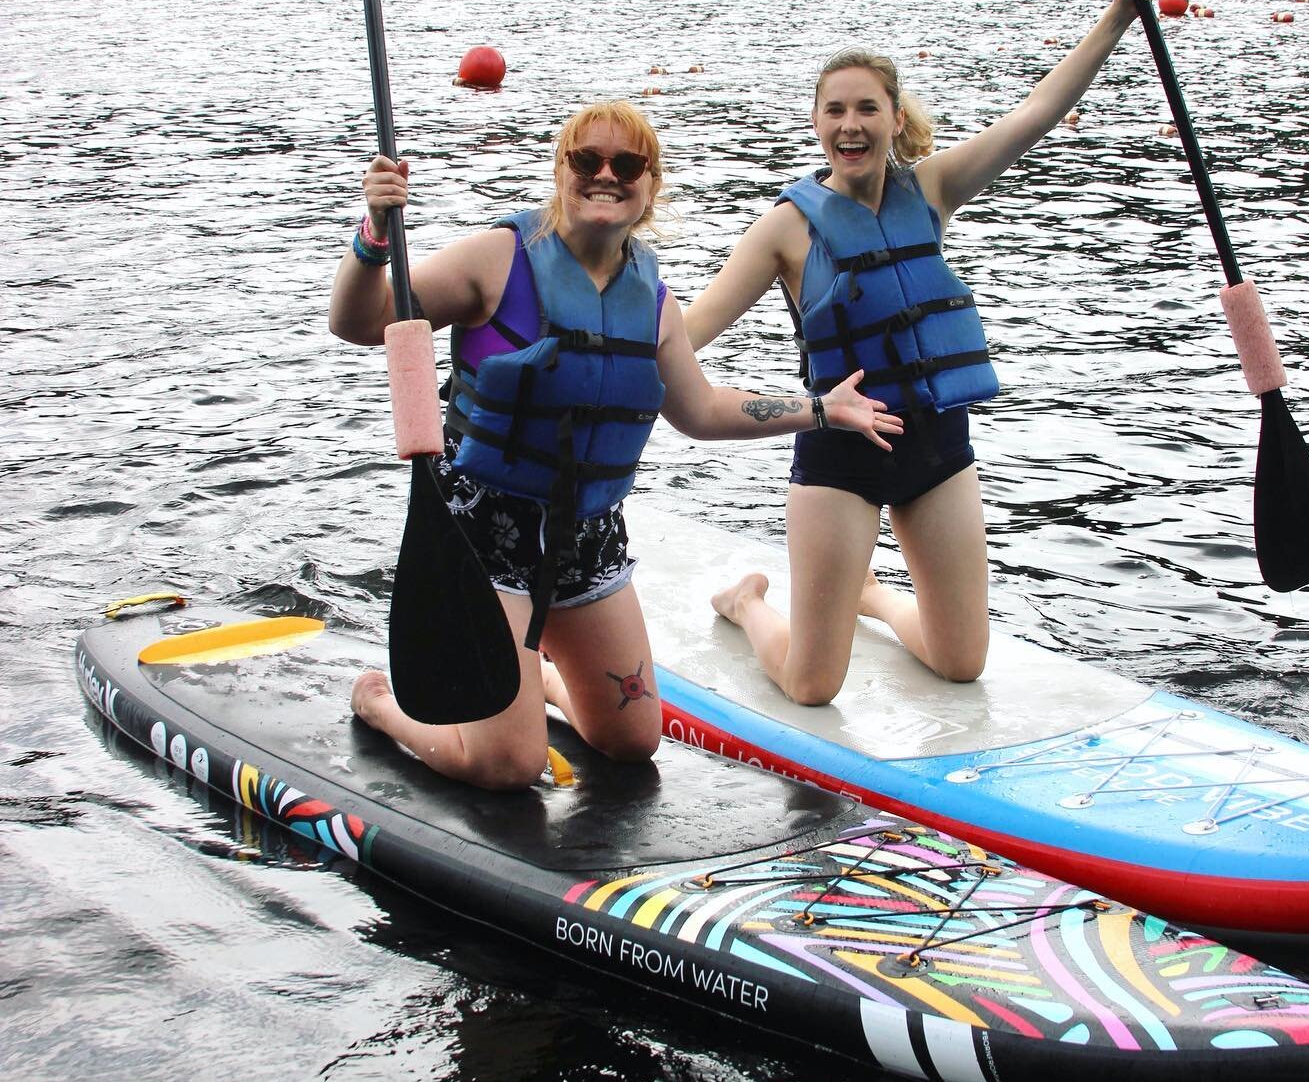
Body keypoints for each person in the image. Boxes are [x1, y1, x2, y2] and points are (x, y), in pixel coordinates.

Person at [329, 99, 901, 789]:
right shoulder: (497, 259)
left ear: (651, 185)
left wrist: (822, 408)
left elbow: (702, 410)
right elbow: (358, 321)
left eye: (627, 164)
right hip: (482, 538)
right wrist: (373, 236)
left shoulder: (652, 300)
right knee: (512, 766)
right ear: (560, 170)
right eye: (586, 159)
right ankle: (386, 706)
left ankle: (529, 676)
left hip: (586, 539)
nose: (606, 174)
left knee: (632, 741)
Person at [682, 0, 1157, 705]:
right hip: (842, 456)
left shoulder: (930, 189)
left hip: (937, 447)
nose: (851, 124)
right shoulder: (784, 230)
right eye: (835, 110)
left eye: (867, 109)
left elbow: (1034, 115)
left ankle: (871, 598)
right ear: (816, 123)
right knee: (812, 686)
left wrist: (1116, 20)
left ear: (894, 120)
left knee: (960, 660)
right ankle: (746, 603)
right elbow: (691, 330)